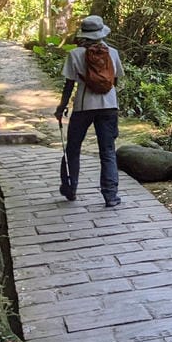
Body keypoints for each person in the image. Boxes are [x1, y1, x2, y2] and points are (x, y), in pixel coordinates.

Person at [54, 15, 124, 207]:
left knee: (73, 148)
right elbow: (115, 80)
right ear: (101, 32)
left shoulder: (75, 54)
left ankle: (70, 189)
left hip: (84, 107)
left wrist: (61, 108)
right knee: (108, 151)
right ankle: (111, 196)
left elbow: (69, 85)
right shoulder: (113, 52)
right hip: (109, 106)